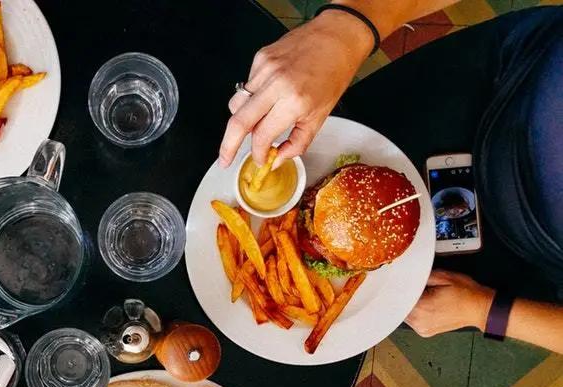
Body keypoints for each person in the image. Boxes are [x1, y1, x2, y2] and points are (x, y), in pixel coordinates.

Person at [218, 2, 562, 353]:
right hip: (505, 69)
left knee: (397, 301)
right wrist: (347, 28)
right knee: (349, 114)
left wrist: (488, 311)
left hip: (516, 252)